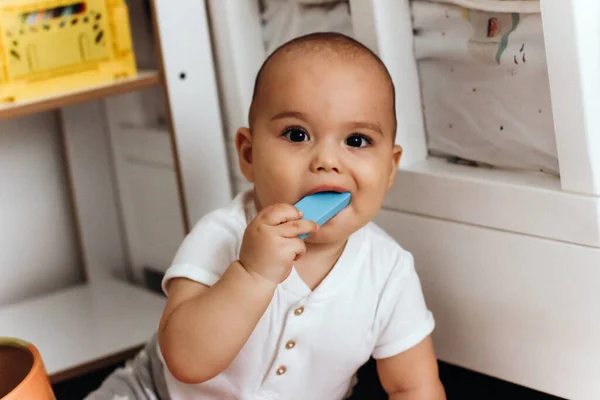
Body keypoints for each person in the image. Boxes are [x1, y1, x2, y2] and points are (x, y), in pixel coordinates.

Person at [87, 32, 445, 400]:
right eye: (296, 134)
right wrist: (253, 273)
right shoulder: (223, 234)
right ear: (249, 154)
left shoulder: (388, 272)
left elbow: (413, 385)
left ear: (389, 169)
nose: (327, 161)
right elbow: (185, 361)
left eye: (356, 140)